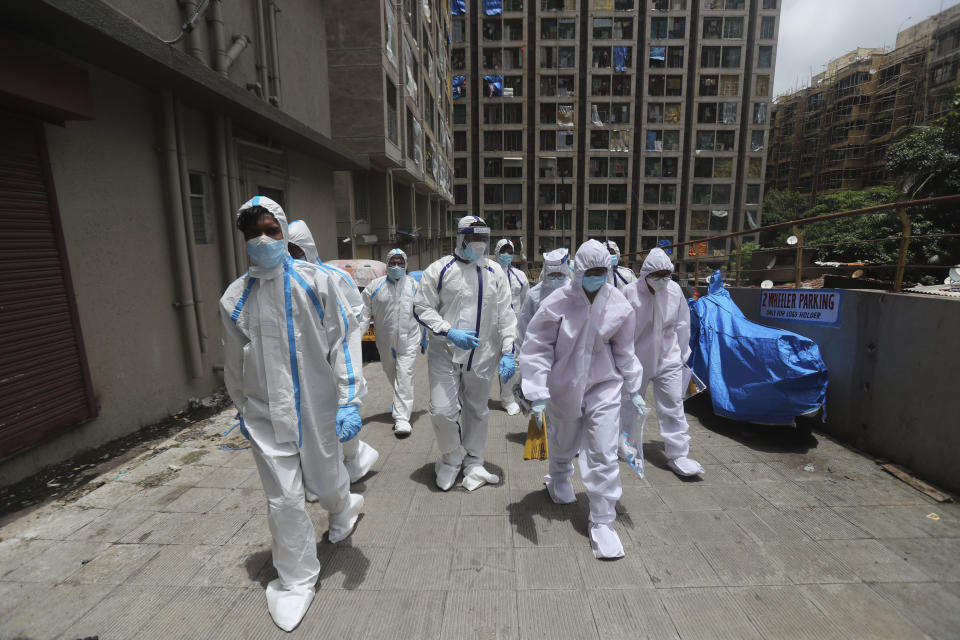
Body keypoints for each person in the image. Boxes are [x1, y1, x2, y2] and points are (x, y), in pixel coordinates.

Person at [219, 196, 365, 631]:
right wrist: (243, 409)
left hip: (318, 410)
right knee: (283, 500)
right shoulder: (235, 297)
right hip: (266, 415)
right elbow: (233, 361)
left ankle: (343, 509)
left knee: (325, 482)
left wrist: (349, 399)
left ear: (283, 232)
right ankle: (297, 578)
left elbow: (345, 342)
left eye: (271, 229)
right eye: (253, 233)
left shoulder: (316, 282)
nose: (262, 240)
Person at [519, 239, 645, 559]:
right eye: (592, 272)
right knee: (564, 441)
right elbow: (536, 348)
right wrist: (534, 391)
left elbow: (625, 349)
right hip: (564, 386)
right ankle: (559, 475)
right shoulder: (557, 303)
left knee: (603, 451)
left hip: (604, 385)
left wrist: (633, 384)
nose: (597, 277)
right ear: (578, 270)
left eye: (603, 272)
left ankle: (602, 520)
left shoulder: (618, 304)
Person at [413, 216, 517, 491]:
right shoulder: (439, 269)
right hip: (444, 352)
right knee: (442, 410)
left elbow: (506, 315)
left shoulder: (495, 273)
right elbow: (422, 307)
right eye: (474, 239)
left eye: (484, 239)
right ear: (461, 239)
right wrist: (448, 331)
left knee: (477, 410)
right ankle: (450, 458)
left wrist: (508, 350)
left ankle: (474, 459)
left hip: (482, 355)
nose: (479, 245)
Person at [287, 219, 379, 483]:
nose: (291, 258)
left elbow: (354, 320)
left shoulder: (335, 277)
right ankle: (342, 468)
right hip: (309, 367)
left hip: (337, 361)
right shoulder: (286, 281)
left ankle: (345, 469)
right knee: (319, 427)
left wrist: (349, 352)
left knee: (340, 422)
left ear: (308, 249)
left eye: (295, 252)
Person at [620, 248, 704, 477]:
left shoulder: (674, 290)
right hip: (637, 359)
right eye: (656, 275)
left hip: (668, 358)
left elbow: (682, 325)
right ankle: (624, 441)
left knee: (673, 404)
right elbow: (621, 330)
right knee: (628, 403)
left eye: (666, 274)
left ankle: (678, 454)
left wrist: (683, 356)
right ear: (645, 273)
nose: (662, 280)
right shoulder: (629, 292)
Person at [359, 248, 420, 436]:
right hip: (385, 342)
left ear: (406, 265)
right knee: (392, 373)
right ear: (387, 264)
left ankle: (402, 419)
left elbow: (424, 312)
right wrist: (354, 339)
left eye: (400, 263)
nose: (396, 266)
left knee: (404, 374)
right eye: (392, 263)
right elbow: (363, 315)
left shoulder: (414, 286)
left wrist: (427, 337)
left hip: (409, 339)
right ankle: (401, 402)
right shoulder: (374, 287)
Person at [494, 238, 529, 415]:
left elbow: (526, 303)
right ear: (496, 252)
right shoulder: (488, 274)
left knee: (511, 364)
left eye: (509, 252)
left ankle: (507, 399)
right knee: (483, 364)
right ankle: (473, 398)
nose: (506, 255)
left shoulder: (520, 277)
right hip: (491, 327)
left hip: (512, 327)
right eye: (503, 251)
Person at [516, 248, 569, 347]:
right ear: (545, 273)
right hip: (540, 351)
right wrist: (519, 357)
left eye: (559, 275)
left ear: (565, 272)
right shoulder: (534, 295)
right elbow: (523, 327)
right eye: (552, 275)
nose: (555, 279)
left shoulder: (574, 292)